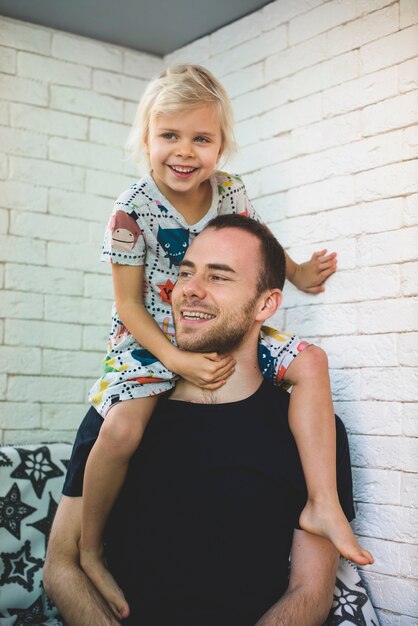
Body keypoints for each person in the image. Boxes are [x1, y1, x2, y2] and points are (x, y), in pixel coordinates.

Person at [80, 65, 372, 619]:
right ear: (146, 138)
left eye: (202, 138)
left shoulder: (231, 189)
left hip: (222, 324)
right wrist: (173, 360)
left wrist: (298, 273)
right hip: (153, 336)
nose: (184, 152)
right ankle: (90, 549)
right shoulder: (130, 210)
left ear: (221, 145)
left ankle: (322, 503)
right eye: (169, 135)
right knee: (119, 428)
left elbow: (258, 246)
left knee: (312, 362)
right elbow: (127, 306)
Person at [44, 215, 357, 626]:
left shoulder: (315, 434)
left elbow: (310, 592)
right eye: (186, 272)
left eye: (219, 276)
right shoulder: (118, 413)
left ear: (266, 304)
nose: (189, 289)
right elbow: (61, 567)